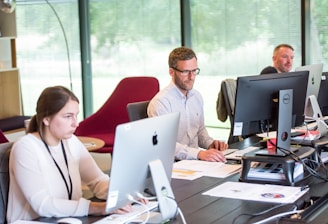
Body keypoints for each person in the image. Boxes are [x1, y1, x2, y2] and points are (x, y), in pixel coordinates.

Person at [7, 86, 132, 223]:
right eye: (68, 117)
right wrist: (97, 208)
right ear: (46, 119)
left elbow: (98, 181)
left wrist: (125, 195)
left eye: (76, 115)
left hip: (68, 219)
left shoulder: (71, 141)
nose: (76, 123)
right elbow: (43, 205)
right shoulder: (25, 148)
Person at [147, 46, 228, 162]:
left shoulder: (196, 97)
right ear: (171, 72)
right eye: (185, 72)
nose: (191, 77)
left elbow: (199, 131)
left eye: (194, 71)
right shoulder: (161, 102)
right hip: (175, 164)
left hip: (195, 162)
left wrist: (211, 144)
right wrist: (199, 153)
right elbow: (165, 144)